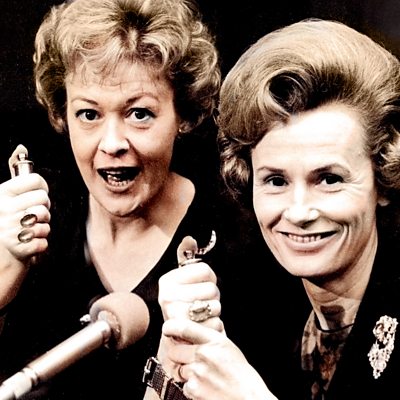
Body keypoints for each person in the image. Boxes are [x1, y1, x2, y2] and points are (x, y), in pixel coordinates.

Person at [146, 19, 400, 400]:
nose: (298, 212)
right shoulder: (253, 304)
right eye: (276, 181)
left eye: (329, 179)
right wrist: (174, 354)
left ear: (383, 175)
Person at [0, 0, 221, 398]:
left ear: (183, 114)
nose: (113, 143)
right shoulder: (32, 221)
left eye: (139, 114)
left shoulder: (237, 242)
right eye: (89, 114)